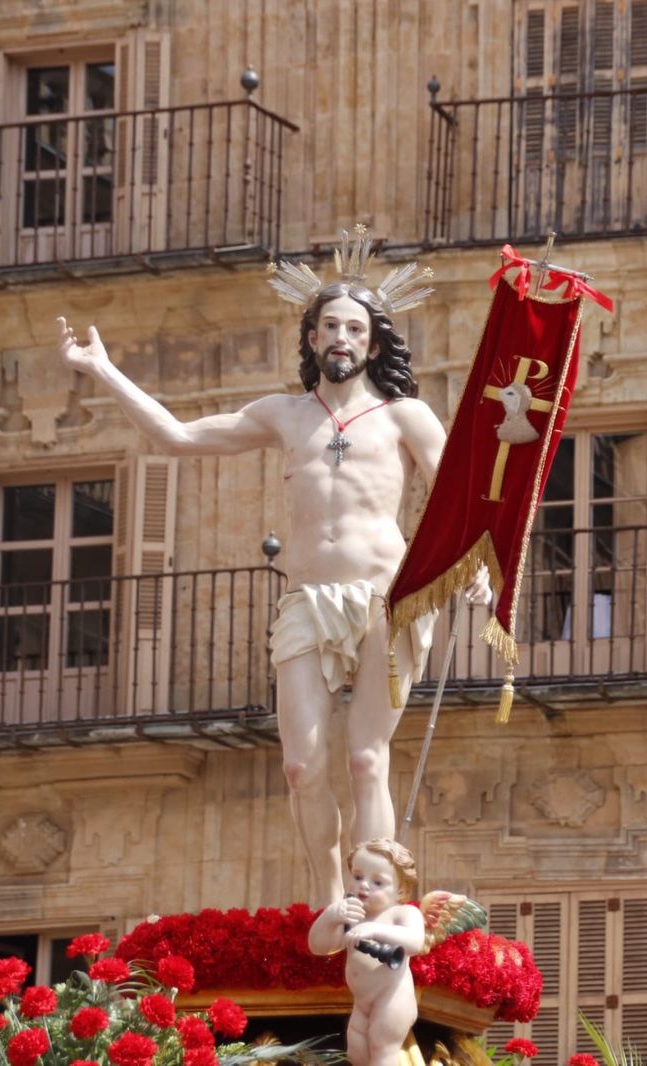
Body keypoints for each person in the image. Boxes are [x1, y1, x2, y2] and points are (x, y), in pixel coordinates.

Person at [57, 254, 488, 905]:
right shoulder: (284, 415)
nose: (342, 338)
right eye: (330, 327)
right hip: (308, 602)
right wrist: (102, 369)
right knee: (299, 765)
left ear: (373, 343)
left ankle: (378, 903)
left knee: (368, 759)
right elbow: (177, 436)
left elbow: (462, 499)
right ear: (312, 337)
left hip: (387, 599)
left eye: (355, 329)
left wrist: (476, 568)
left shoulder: (407, 417)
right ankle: (328, 896)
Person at [307, 839, 426, 1066]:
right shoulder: (353, 915)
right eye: (358, 877)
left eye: (378, 882)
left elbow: (415, 941)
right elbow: (319, 946)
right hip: (361, 1002)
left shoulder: (402, 913)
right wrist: (331, 916)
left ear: (400, 889)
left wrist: (377, 930)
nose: (364, 885)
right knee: (357, 1053)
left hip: (392, 998)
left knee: (381, 1050)